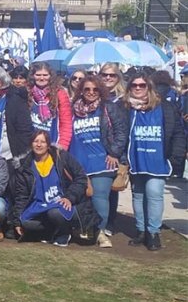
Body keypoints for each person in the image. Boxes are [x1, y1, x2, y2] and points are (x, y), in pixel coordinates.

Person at [124, 73, 186, 251]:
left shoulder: (165, 107)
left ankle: (153, 232)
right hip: (136, 159)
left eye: (142, 85)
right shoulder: (126, 107)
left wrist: (175, 158)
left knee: (154, 192)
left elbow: (178, 133)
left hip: (158, 160)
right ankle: (141, 230)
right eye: (134, 85)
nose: (137, 88)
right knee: (138, 195)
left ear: (149, 87)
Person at [69, 75, 128, 247]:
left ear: (100, 90)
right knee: (81, 198)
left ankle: (101, 232)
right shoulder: (74, 109)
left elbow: (121, 132)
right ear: (81, 90)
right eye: (87, 89)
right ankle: (84, 228)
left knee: (100, 196)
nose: (91, 92)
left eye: (95, 89)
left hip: (103, 160)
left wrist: (115, 153)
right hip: (79, 161)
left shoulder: (108, 107)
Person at [12, 131, 96, 247]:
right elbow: (22, 196)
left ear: (48, 144)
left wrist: (69, 198)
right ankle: (51, 232)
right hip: (41, 206)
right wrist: (17, 221)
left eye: (43, 142)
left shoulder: (62, 157)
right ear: (31, 144)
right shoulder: (25, 166)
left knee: (55, 213)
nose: (39, 145)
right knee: (25, 222)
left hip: (66, 203)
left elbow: (81, 178)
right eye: (36, 141)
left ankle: (65, 233)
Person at [28, 62, 73, 150]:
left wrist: (62, 146)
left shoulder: (60, 93)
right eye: (38, 75)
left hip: (53, 143)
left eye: (45, 75)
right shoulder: (28, 92)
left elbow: (66, 124)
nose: (41, 78)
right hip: (33, 144)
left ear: (50, 76)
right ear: (33, 76)